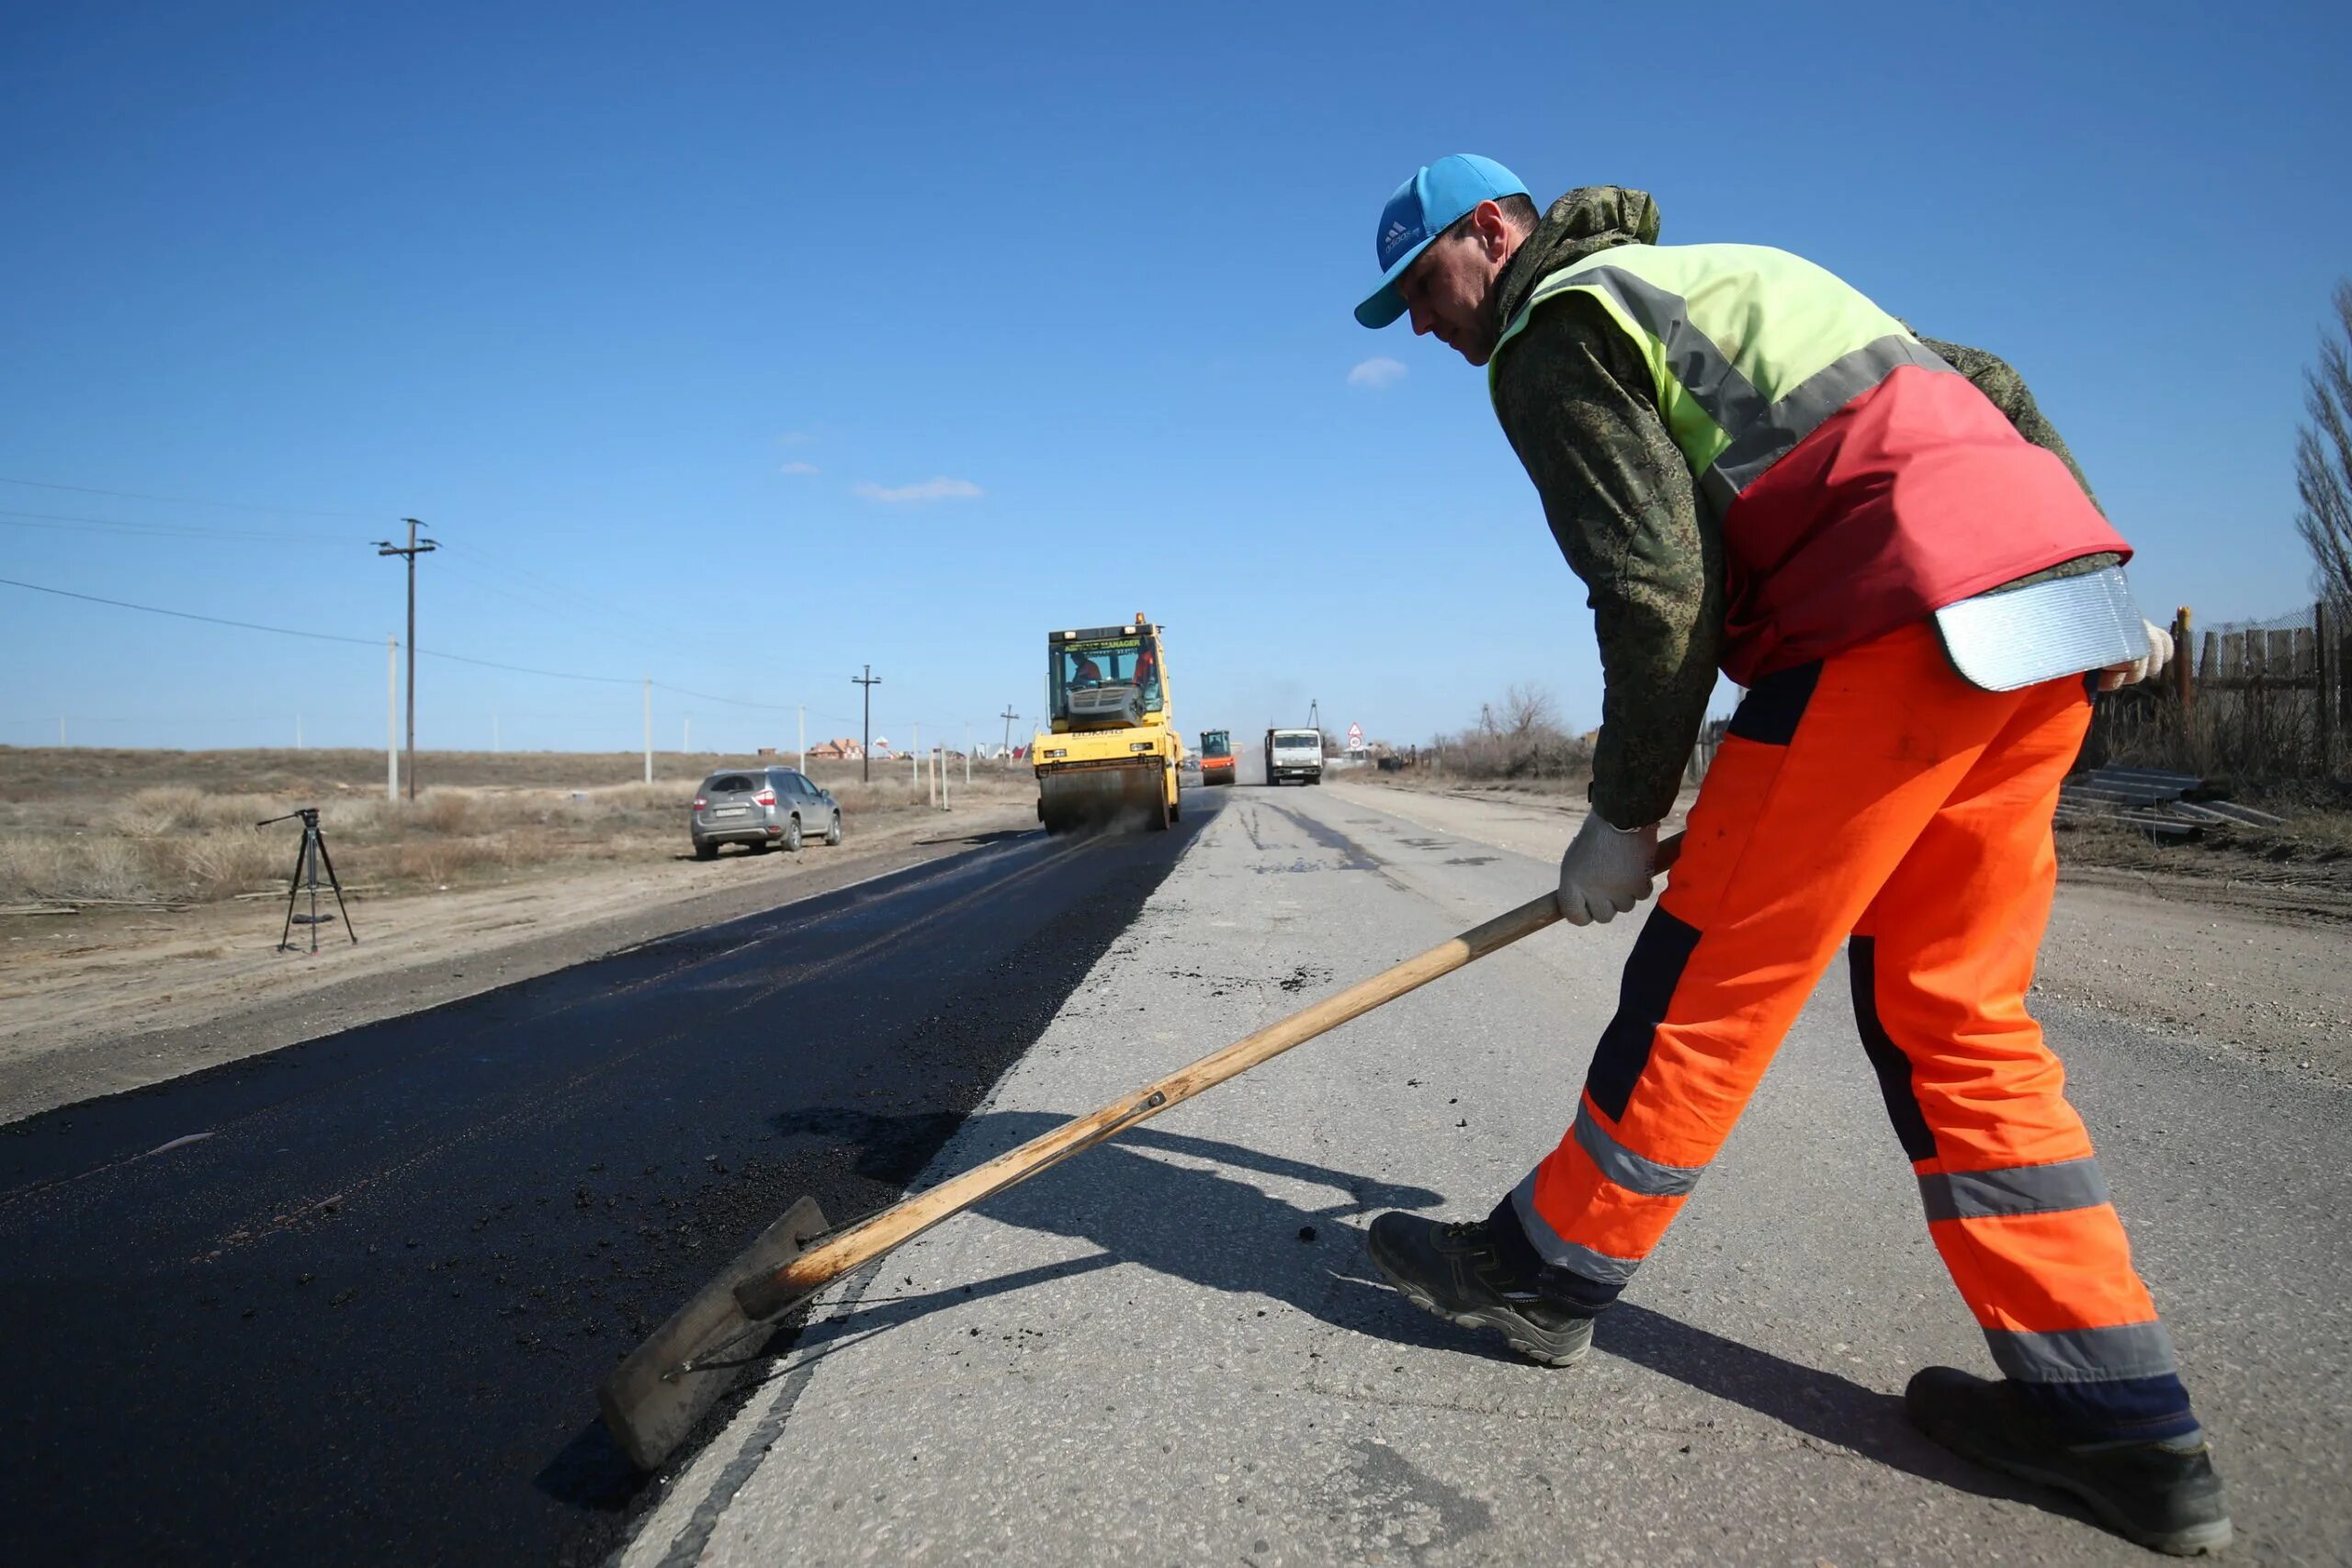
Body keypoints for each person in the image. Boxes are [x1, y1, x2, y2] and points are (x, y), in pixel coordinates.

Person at [1351, 154, 2227, 1555]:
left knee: (1701, 985)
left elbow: (1656, 588)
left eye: (1422, 286)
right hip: (2039, 629)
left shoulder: (1555, 326)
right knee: (1957, 1021)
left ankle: (1539, 1275)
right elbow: (1986, 376)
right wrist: (2092, 578)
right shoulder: (1723, 278)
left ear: (1492, 233)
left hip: (1884, 630)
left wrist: (1626, 813)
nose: (1421, 326)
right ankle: (2122, 1426)